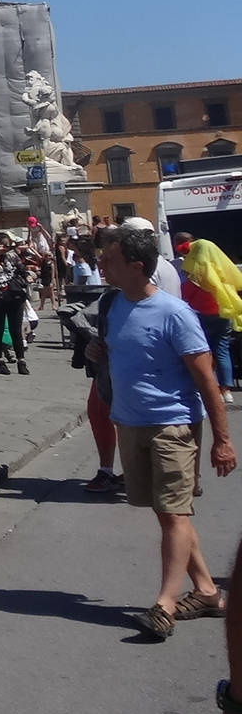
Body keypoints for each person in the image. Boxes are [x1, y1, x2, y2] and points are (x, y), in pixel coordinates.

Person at [90, 223, 234, 640]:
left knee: (174, 513)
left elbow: (207, 381)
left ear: (136, 266)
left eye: (110, 260)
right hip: (130, 423)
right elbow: (118, 353)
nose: (102, 264)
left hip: (172, 426)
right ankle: (207, 591)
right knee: (167, 514)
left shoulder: (175, 313)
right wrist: (95, 351)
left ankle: (164, 605)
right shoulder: (113, 305)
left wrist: (223, 441)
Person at [180, 239, 242, 405]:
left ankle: (212, 387)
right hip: (222, 314)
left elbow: (185, 297)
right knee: (222, 350)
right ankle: (226, 390)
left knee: (205, 352)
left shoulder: (195, 276)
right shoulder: (221, 272)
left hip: (202, 318)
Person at [0, 233, 33, 375]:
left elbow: (21, 270)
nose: (6, 247)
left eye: (8, 244)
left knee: (15, 329)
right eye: (3, 244)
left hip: (14, 295)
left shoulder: (13, 256)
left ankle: (21, 361)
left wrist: (27, 276)